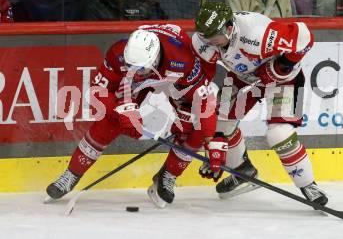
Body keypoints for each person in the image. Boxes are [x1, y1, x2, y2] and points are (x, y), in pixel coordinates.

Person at [148, 1, 328, 208]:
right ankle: (243, 171)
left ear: (229, 28)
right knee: (217, 123)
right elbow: (203, 82)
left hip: (285, 81)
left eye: (213, 36)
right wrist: (195, 116)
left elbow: (304, 36)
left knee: (279, 134)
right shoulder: (204, 40)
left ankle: (309, 186)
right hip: (243, 77)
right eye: (204, 35)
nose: (208, 41)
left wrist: (282, 65)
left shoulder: (257, 34)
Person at [45, 24, 221, 201]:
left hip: (174, 83)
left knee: (194, 126)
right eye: (131, 65)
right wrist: (121, 113)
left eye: (141, 68)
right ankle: (72, 173)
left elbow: (205, 102)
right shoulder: (118, 54)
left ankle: (168, 175)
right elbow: (96, 92)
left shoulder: (182, 60)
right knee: (109, 122)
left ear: (155, 58)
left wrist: (211, 143)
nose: (136, 72)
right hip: (140, 82)